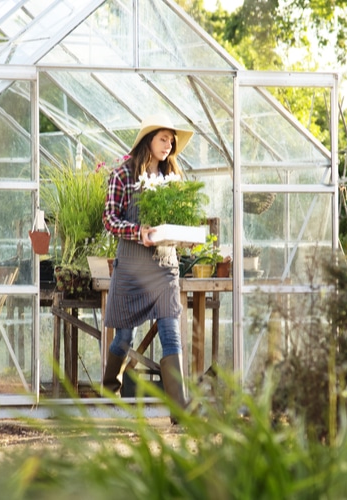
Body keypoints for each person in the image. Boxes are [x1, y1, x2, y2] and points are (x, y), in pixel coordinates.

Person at [101, 114, 193, 421]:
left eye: (171, 141)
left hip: (165, 267)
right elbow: (110, 219)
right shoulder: (124, 175)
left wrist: (186, 237)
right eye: (163, 139)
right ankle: (109, 389)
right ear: (148, 140)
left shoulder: (174, 179)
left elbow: (182, 221)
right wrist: (137, 231)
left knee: (171, 332)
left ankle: (180, 410)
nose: (168, 145)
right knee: (123, 339)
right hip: (131, 268)